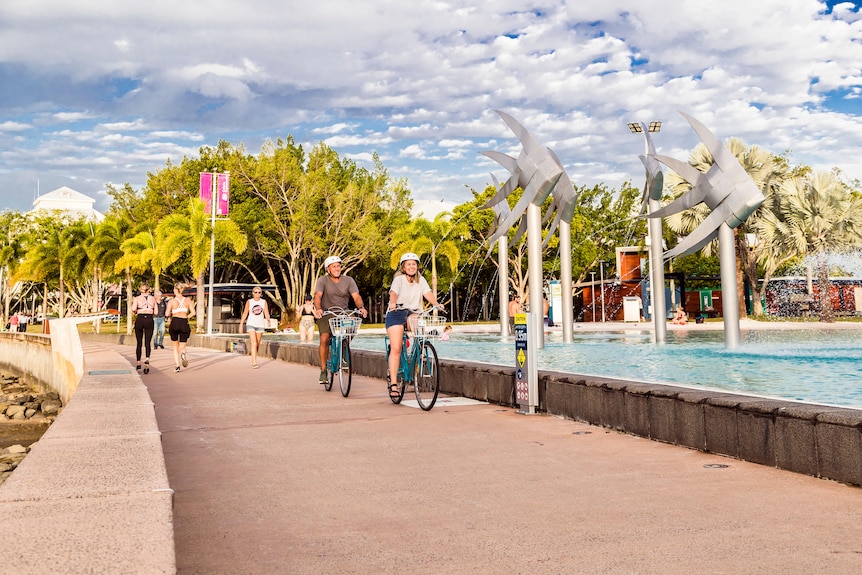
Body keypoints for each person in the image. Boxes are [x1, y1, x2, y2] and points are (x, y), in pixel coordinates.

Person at [385, 252, 443, 399]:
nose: (412, 266)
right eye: (408, 264)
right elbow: (393, 293)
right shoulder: (399, 280)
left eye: (414, 264)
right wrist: (392, 303)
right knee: (396, 348)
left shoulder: (420, 280)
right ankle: (393, 384)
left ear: (417, 266)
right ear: (403, 267)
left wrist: (436, 304)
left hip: (412, 312)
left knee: (419, 322)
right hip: (396, 312)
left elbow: (427, 293)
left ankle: (421, 351)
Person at [313, 256, 368, 384]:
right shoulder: (323, 280)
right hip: (327, 313)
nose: (337, 268)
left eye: (338, 266)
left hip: (344, 311)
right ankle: (323, 370)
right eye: (334, 266)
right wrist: (318, 308)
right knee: (324, 338)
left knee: (354, 321)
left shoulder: (348, 280)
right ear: (328, 269)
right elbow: (318, 295)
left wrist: (361, 307)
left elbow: (356, 296)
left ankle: (344, 346)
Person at [166, 283, 195, 372]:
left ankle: (177, 366)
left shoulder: (172, 301)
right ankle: (183, 354)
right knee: (182, 345)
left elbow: (167, 314)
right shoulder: (187, 300)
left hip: (175, 321)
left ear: (175, 290)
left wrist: (170, 315)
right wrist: (187, 317)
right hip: (184, 322)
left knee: (175, 346)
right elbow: (193, 313)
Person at [240, 286, 270, 369]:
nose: (257, 294)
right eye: (255, 292)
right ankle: (254, 362)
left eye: (259, 292)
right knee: (254, 343)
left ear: (261, 294)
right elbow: (245, 313)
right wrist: (241, 324)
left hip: (260, 324)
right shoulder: (249, 302)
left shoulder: (263, 302)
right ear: (252, 293)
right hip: (251, 324)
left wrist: (268, 320)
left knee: (257, 344)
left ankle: (253, 356)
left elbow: (266, 312)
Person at [131, 282, 156, 374]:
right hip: (149, 319)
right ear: (148, 289)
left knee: (139, 342)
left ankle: (138, 363)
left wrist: (137, 310)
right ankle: (147, 359)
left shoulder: (137, 299)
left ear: (140, 290)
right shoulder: (152, 299)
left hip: (140, 318)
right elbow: (156, 311)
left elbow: (133, 309)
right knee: (147, 342)